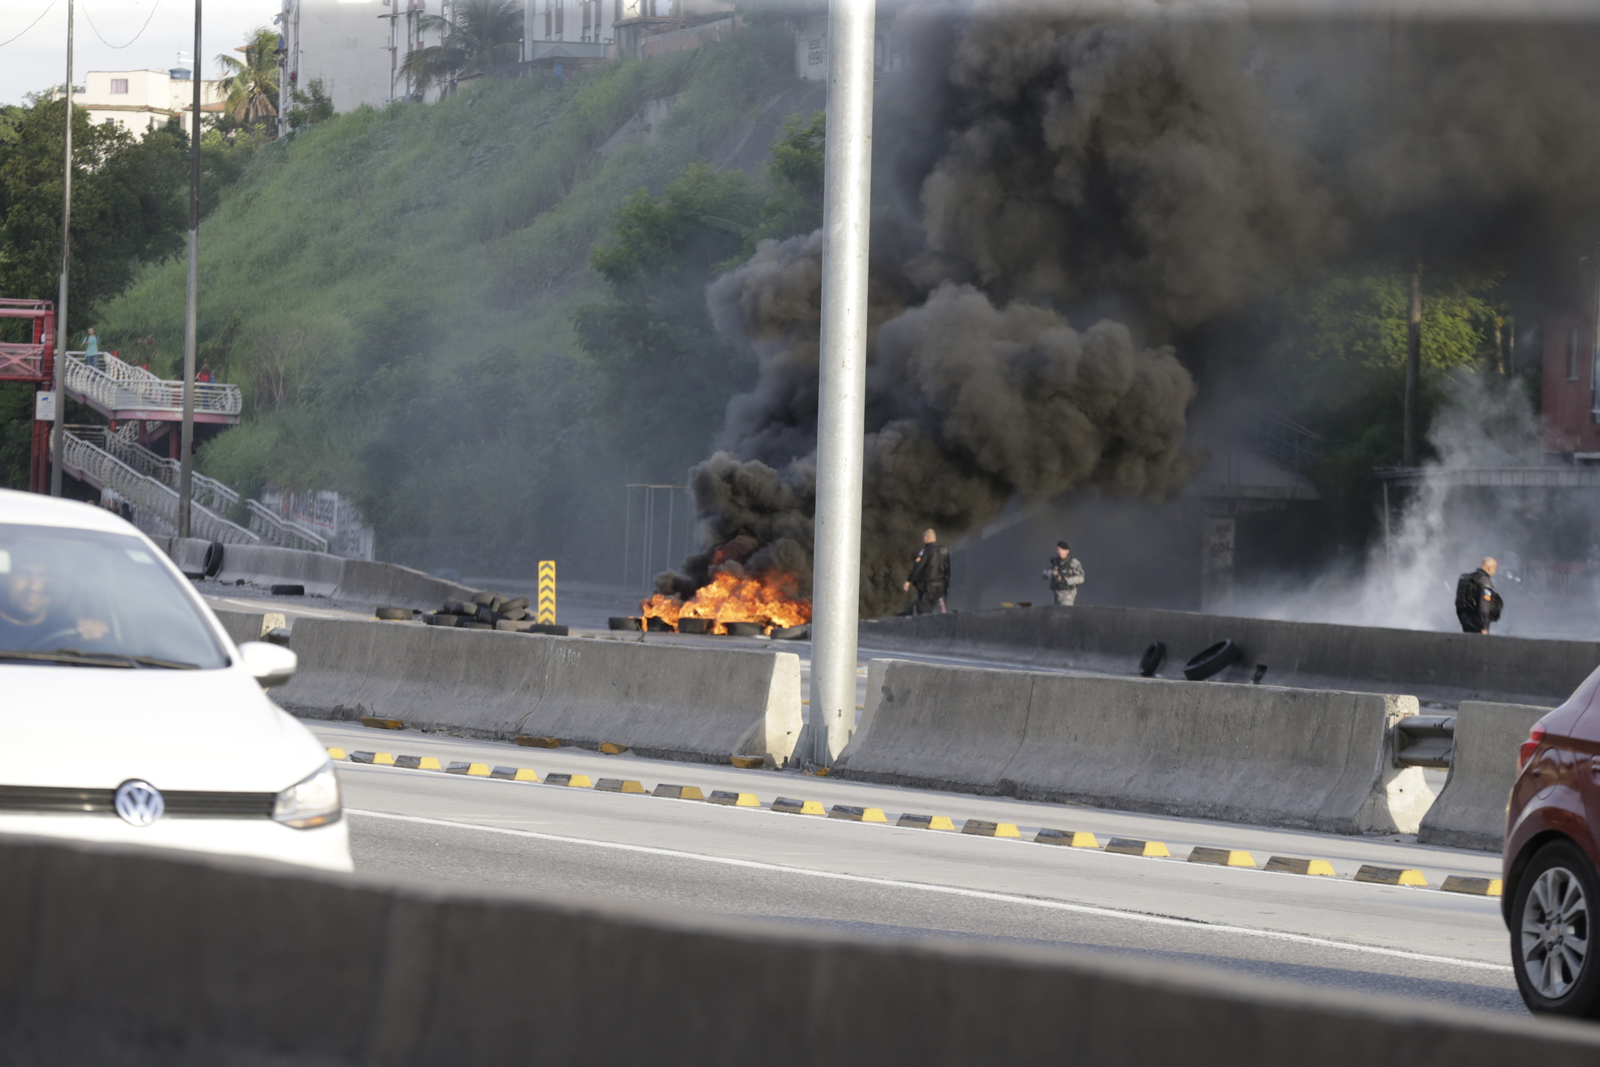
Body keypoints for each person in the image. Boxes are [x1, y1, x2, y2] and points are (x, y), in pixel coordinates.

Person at [903, 528, 951, 615]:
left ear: (926, 537)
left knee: (923, 612)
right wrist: (946, 585)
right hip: (940, 588)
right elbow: (948, 569)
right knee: (941, 612)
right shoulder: (944, 550)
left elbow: (918, 567)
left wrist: (909, 580)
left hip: (928, 588)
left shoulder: (926, 550)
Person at [1455, 557, 1503, 635]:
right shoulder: (1484, 581)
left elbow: (1459, 601)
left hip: (1465, 619)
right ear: (1489, 568)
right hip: (1477, 622)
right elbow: (1484, 606)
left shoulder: (1467, 578)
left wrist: (1462, 619)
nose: (1494, 572)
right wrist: (1484, 627)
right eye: (1495, 569)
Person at [1042, 540, 1086, 606]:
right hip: (1056, 591)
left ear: (1067, 551)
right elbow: (1043, 575)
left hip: (1069, 592)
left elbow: (1081, 578)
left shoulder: (1073, 562)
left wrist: (1067, 580)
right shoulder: (1054, 562)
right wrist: (1052, 573)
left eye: (1062, 550)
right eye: (1058, 550)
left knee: (1065, 610)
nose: (1060, 552)